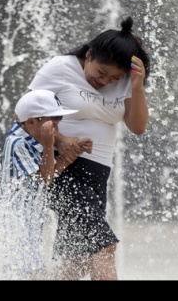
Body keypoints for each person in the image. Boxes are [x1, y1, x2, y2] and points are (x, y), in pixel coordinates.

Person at [27, 16, 151, 280]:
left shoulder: (128, 81)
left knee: (75, 262)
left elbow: (137, 127)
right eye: (100, 72)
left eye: (114, 77)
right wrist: (60, 140)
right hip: (64, 168)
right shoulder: (61, 67)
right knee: (104, 247)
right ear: (89, 54)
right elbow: (25, 114)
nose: (104, 81)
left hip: (97, 175)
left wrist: (137, 87)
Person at [0, 89, 92, 280]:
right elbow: (46, 178)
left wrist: (69, 155)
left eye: (57, 124)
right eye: (51, 125)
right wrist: (50, 145)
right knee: (27, 272)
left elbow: (47, 174)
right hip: (17, 223)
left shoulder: (32, 137)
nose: (55, 131)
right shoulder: (16, 143)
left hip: (31, 220)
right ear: (32, 121)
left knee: (32, 271)